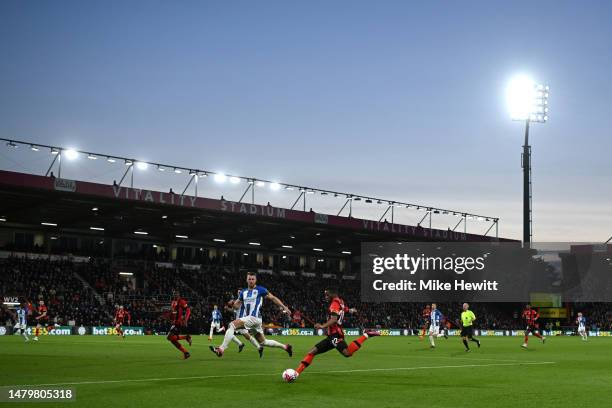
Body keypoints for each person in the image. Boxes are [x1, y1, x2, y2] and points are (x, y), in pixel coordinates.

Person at [294, 288, 379, 380]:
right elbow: (344, 309)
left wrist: (322, 326)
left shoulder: (334, 304)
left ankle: (367, 335)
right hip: (331, 336)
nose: (325, 297)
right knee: (311, 352)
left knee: (347, 353)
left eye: (327, 295)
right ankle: (296, 373)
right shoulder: (340, 301)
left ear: (333, 295)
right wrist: (350, 310)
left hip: (335, 334)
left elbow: (334, 319)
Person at [210, 272, 292, 358]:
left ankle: (221, 349)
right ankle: (285, 347)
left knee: (231, 325)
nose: (251, 281)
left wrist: (284, 307)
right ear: (247, 280)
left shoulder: (261, 290)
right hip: (253, 320)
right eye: (249, 279)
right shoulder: (243, 292)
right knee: (263, 342)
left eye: (253, 279)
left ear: (255, 280)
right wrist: (231, 303)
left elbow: (273, 298)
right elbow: (236, 306)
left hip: (254, 317)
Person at [167, 291, 192, 359]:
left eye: (176, 294)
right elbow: (173, 312)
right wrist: (170, 318)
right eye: (174, 294)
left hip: (179, 323)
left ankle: (186, 337)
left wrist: (186, 319)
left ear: (179, 295)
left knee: (169, 337)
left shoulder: (182, 301)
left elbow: (188, 310)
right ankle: (186, 353)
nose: (175, 295)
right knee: (172, 340)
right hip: (174, 323)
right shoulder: (173, 302)